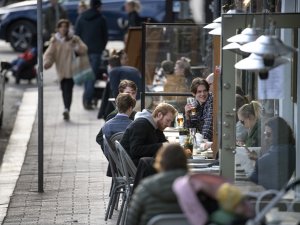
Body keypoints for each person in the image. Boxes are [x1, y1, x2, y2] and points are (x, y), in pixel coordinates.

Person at [126, 143, 188, 225]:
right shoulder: (200, 189)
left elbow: (131, 221)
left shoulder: (145, 188)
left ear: (160, 162)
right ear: (185, 162)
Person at [43, 19, 88, 121]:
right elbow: (49, 54)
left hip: (71, 70)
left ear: (68, 28)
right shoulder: (55, 41)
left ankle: (66, 109)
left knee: (68, 89)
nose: (63, 28)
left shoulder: (74, 39)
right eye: (61, 26)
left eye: (65, 26)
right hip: (61, 71)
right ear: (58, 28)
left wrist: (76, 46)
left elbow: (84, 49)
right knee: (64, 90)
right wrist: (47, 63)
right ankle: (66, 108)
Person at [75, 0, 108, 110]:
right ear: (98, 7)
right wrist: (101, 47)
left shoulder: (81, 17)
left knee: (86, 76)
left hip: (84, 52)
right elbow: (105, 36)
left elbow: (76, 35)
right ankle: (87, 99)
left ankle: (87, 99)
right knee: (91, 77)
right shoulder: (101, 19)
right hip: (96, 52)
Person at [121, 102, 177, 166]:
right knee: (169, 165)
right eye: (167, 120)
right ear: (159, 115)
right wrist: (161, 145)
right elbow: (135, 150)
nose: (169, 125)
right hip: (129, 166)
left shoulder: (157, 127)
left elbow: (164, 142)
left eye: (171, 122)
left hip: (141, 163)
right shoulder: (141, 124)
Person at [249, 117, 296, 190]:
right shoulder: (287, 148)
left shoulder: (282, 150)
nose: (265, 138)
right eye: (265, 134)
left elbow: (261, 164)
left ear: (278, 134)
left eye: (268, 134)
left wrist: (256, 161)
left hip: (268, 195)